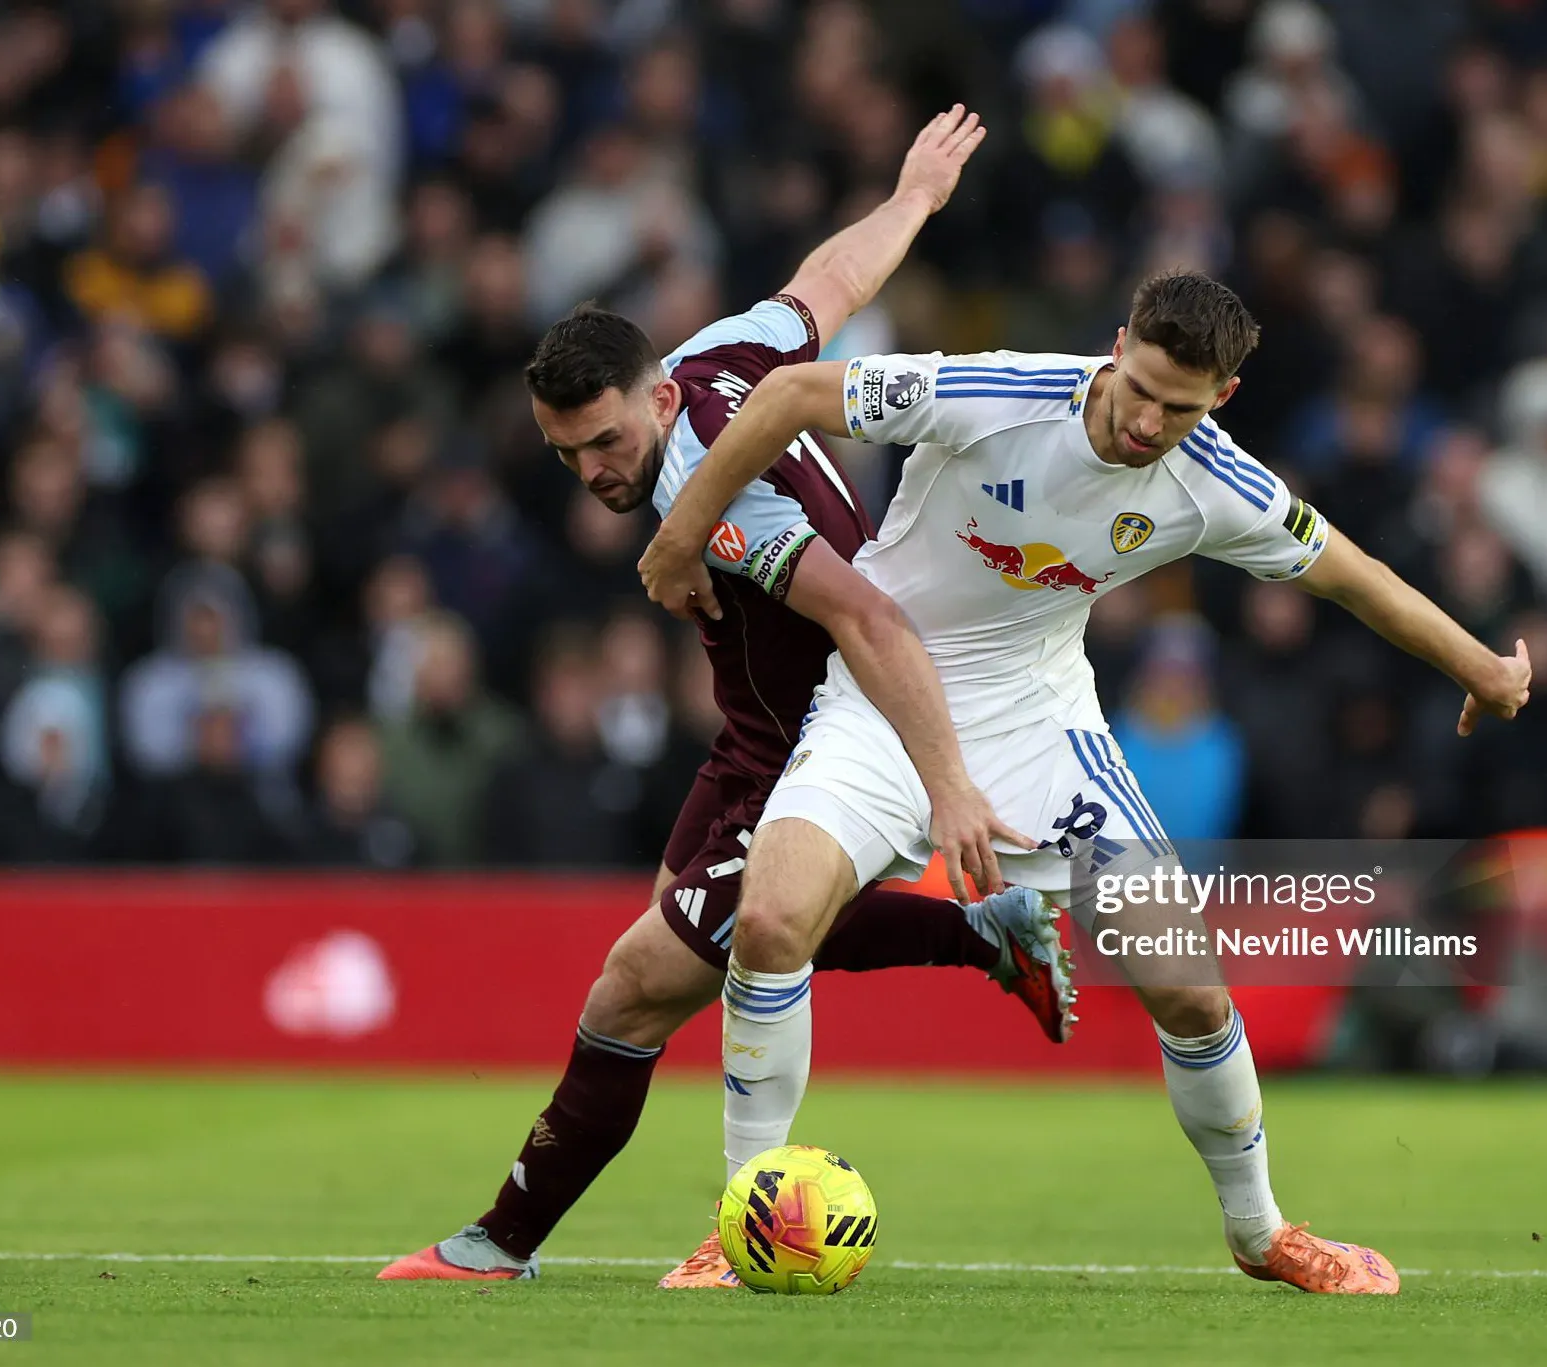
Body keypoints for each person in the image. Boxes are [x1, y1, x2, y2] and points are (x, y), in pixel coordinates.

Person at [638, 269, 1535, 1295]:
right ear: (1116, 346)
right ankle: (742, 1220)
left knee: (1188, 989)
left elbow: (1349, 572)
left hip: (1039, 724)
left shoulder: (1216, 482)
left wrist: (1480, 666)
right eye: (1140, 386)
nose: (1149, 421)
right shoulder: (998, 393)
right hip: (884, 695)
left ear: (1223, 400)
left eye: (1181, 406)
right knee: (770, 921)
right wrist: (679, 533)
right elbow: (792, 394)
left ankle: (1262, 1233)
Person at [380, 108, 1072, 1288]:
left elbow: (868, 616)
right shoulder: (723, 354)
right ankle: (976, 939)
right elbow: (826, 281)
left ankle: (530, 1237)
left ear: (652, 403)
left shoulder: (719, 499)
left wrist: (950, 790)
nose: (590, 471)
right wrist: (912, 196)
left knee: (640, 979)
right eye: (564, 455)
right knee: (705, 926)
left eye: (600, 442)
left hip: (826, 733)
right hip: (752, 734)